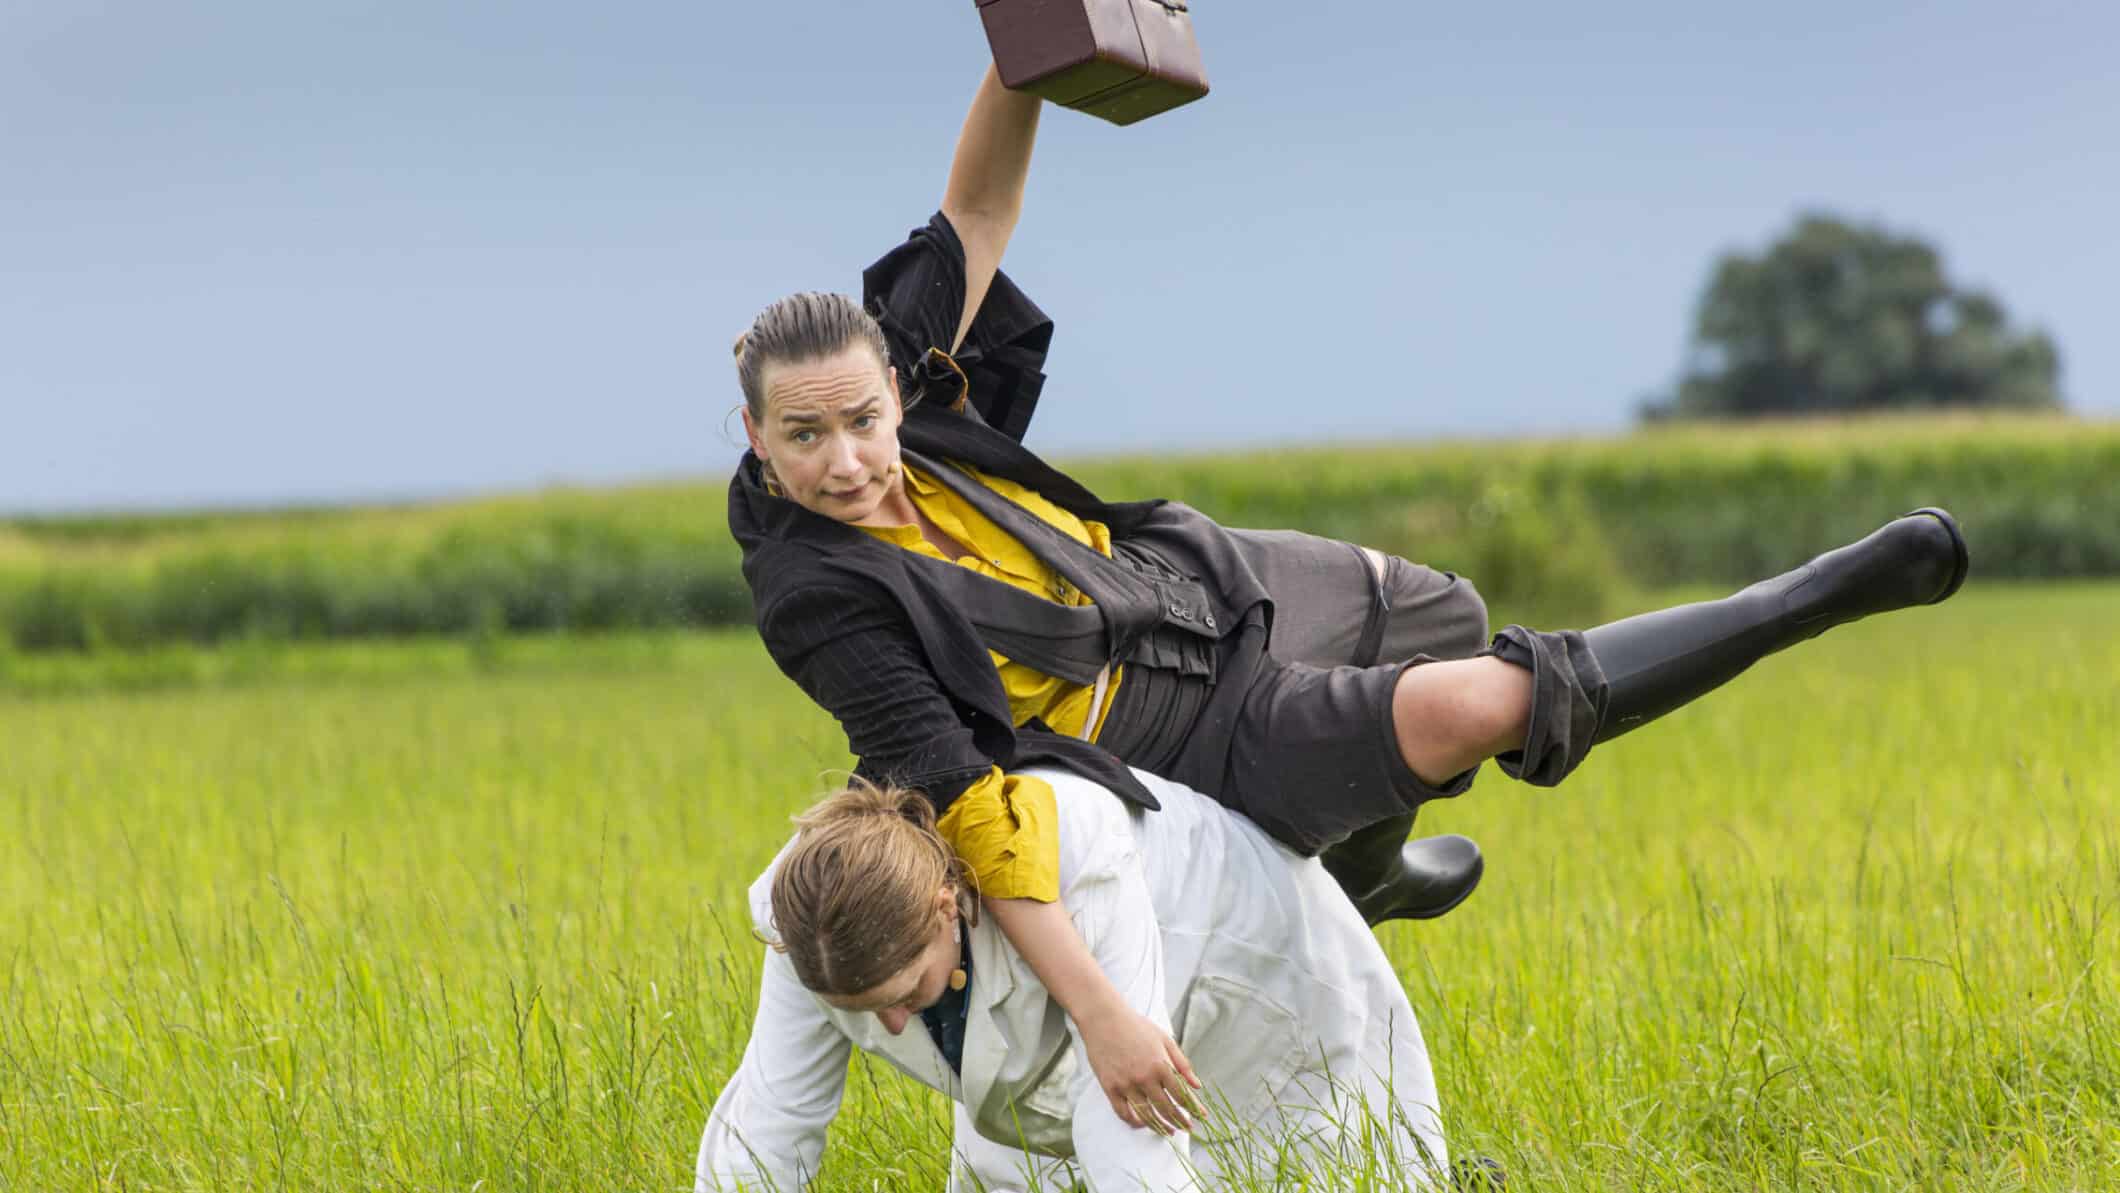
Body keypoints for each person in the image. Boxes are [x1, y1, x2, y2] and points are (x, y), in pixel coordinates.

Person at [726, 61, 1970, 1131]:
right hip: (1160, 737)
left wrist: (1028, 43)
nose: (843, 460)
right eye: (803, 438)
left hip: (1185, 582)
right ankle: (1816, 593)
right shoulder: (814, 598)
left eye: (862, 423)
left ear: (890, 385)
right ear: (753, 434)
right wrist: (1103, 1012)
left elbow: (977, 208)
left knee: (1440, 613)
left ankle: (1361, 875)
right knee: (1483, 701)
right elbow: (968, 799)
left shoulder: (887, 357)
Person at [696, 769, 1457, 1192]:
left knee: (1349, 1174)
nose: (890, 1027)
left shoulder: (1070, 853)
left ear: (944, 904)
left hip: (1253, 978)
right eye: (863, 1010)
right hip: (1040, 1070)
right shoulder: (811, 920)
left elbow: (1126, 1124)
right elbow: (773, 1117)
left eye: (903, 995)